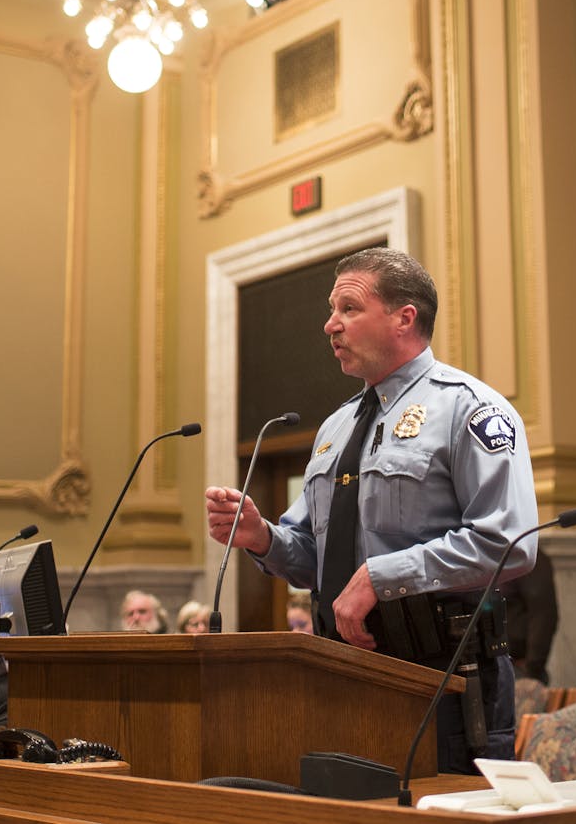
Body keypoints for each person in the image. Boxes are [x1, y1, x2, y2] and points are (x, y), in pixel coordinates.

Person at [204, 247, 539, 773]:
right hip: (342, 672)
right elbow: (314, 552)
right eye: (332, 310)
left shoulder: (470, 408)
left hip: (443, 676)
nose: (329, 325)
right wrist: (261, 537)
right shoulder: (335, 428)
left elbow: (509, 543)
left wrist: (381, 578)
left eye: (348, 309)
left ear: (405, 317)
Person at [501, 546, 557, 684]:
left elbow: (543, 615)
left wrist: (533, 667)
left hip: (518, 668)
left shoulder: (528, 556)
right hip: (491, 665)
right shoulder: (491, 553)